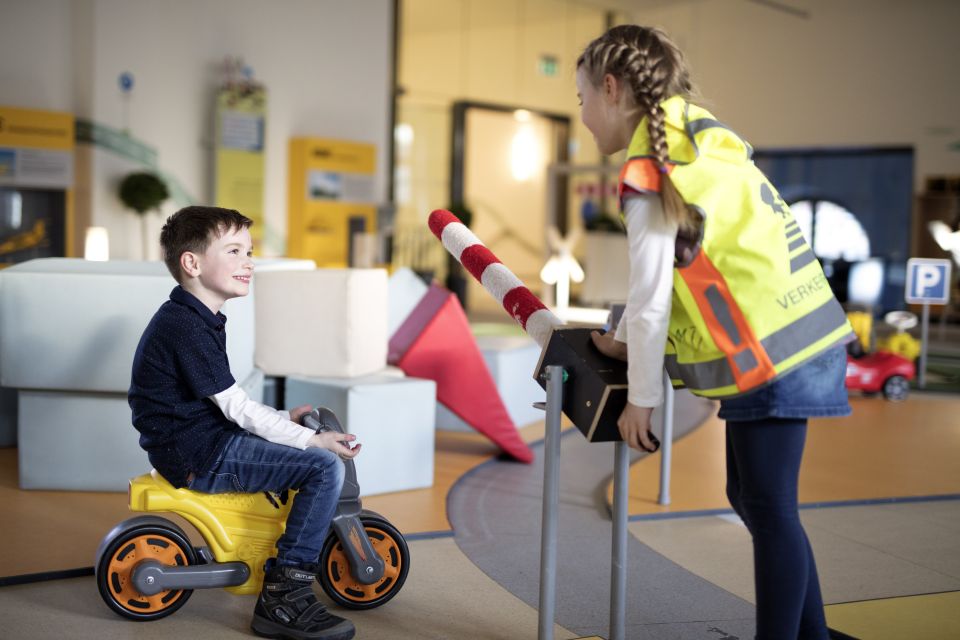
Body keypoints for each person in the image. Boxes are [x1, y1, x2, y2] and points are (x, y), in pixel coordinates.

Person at [577, 26, 854, 640]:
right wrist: (623, 341)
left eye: (582, 100)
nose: (583, 117)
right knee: (752, 497)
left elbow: (651, 299)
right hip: (794, 338)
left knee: (771, 506)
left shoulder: (650, 172)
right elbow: (695, 269)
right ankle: (813, 635)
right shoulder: (699, 139)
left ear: (612, 88)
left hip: (772, 352)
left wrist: (642, 399)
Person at [129, 205, 360, 640]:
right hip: (199, 452)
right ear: (192, 263)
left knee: (299, 449)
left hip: (200, 438)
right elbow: (234, 407)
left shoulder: (196, 316)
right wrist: (311, 439)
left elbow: (220, 401)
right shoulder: (185, 326)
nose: (249, 261)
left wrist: (280, 419)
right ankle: (284, 597)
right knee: (323, 467)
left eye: (250, 251)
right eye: (234, 250)